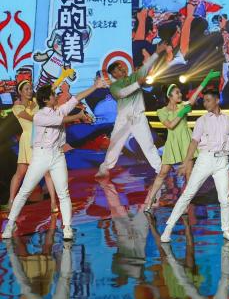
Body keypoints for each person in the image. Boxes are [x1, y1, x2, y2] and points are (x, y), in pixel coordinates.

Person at [3, 75, 108, 240]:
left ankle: (67, 228)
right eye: (53, 95)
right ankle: (10, 225)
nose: (56, 96)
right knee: (24, 191)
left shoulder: (58, 110)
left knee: (64, 193)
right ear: (46, 100)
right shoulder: (39, 116)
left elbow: (76, 98)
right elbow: (59, 120)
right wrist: (78, 116)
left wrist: (95, 87)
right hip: (41, 156)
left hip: (57, 156)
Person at [160, 89, 229, 243]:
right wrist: (185, 162)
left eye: (208, 100)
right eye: (204, 100)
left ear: (217, 100)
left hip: (222, 161)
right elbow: (194, 142)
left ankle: (227, 230)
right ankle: (168, 228)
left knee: (225, 199)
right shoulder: (202, 121)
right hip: (205, 160)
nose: (205, 103)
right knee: (188, 194)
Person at [97, 44, 171, 178]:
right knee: (115, 146)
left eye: (122, 66)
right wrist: (138, 84)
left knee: (148, 144)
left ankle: (159, 169)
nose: (123, 69)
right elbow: (122, 93)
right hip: (123, 120)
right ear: (114, 74)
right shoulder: (114, 86)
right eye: (119, 69)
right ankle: (105, 168)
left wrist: (157, 53)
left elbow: (146, 67)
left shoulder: (134, 77)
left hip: (138, 117)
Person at [141, 76, 213, 213]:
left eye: (180, 92)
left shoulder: (183, 106)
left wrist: (205, 81)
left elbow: (193, 98)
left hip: (186, 141)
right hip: (172, 143)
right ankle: (150, 200)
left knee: (189, 175)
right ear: (170, 96)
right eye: (177, 93)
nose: (180, 94)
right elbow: (170, 125)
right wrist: (181, 114)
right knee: (162, 173)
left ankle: (185, 205)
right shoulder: (162, 111)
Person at [6, 80, 59, 215]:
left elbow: (48, 92)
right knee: (20, 173)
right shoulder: (17, 107)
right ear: (20, 92)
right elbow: (31, 118)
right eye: (26, 89)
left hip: (39, 140)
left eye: (30, 88)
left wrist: (61, 78)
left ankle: (53, 202)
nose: (29, 91)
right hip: (27, 141)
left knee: (47, 172)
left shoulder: (36, 101)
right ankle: (11, 201)